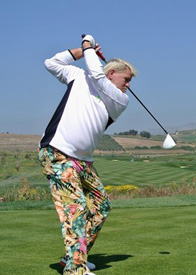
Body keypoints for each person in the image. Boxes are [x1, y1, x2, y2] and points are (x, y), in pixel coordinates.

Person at [38, 35, 136, 275]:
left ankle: (71, 257)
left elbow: (96, 74)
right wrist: (82, 51)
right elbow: (51, 63)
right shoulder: (78, 76)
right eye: (127, 79)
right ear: (113, 73)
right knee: (77, 207)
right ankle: (76, 269)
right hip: (58, 152)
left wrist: (88, 46)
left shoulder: (120, 100)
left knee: (101, 206)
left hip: (83, 161)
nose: (128, 85)